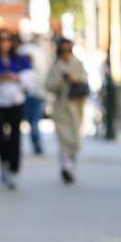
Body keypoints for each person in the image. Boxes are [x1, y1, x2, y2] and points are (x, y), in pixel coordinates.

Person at [0, 29, 34, 189]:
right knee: (0, 136)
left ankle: (13, 168)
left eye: (7, 40)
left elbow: (31, 78)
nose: (4, 43)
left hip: (16, 102)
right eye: (1, 40)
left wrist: (16, 77)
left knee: (15, 135)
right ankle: (4, 164)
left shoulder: (20, 60)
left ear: (12, 42)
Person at [45, 38, 89, 183]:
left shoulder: (78, 64)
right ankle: (66, 166)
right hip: (61, 107)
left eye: (68, 50)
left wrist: (76, 78)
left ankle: (70, 164)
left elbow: (86, 81)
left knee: (75, 139)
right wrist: (61, 81)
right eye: (63, 50)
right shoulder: (55, 67)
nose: (66, 53)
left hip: (77, 106)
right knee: (64, 139)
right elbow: (48, 85)